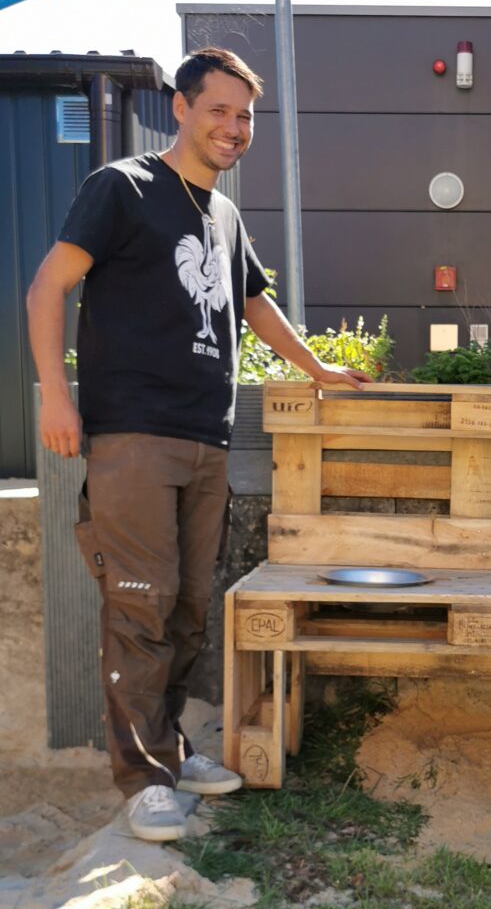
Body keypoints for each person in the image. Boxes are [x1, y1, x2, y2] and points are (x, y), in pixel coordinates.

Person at [27, 46, 371, 843]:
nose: (234, 127)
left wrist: (317, 365)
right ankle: (142, 778)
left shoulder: (224, 214)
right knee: (141, 604)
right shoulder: (122, 187)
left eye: (245, 115)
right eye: (219, 109)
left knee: (185, 608)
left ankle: (171, 753)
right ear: (180, 108)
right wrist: (55, 393)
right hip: (133, 433)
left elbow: (252, 304)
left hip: (205, 434)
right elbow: (49, 284)